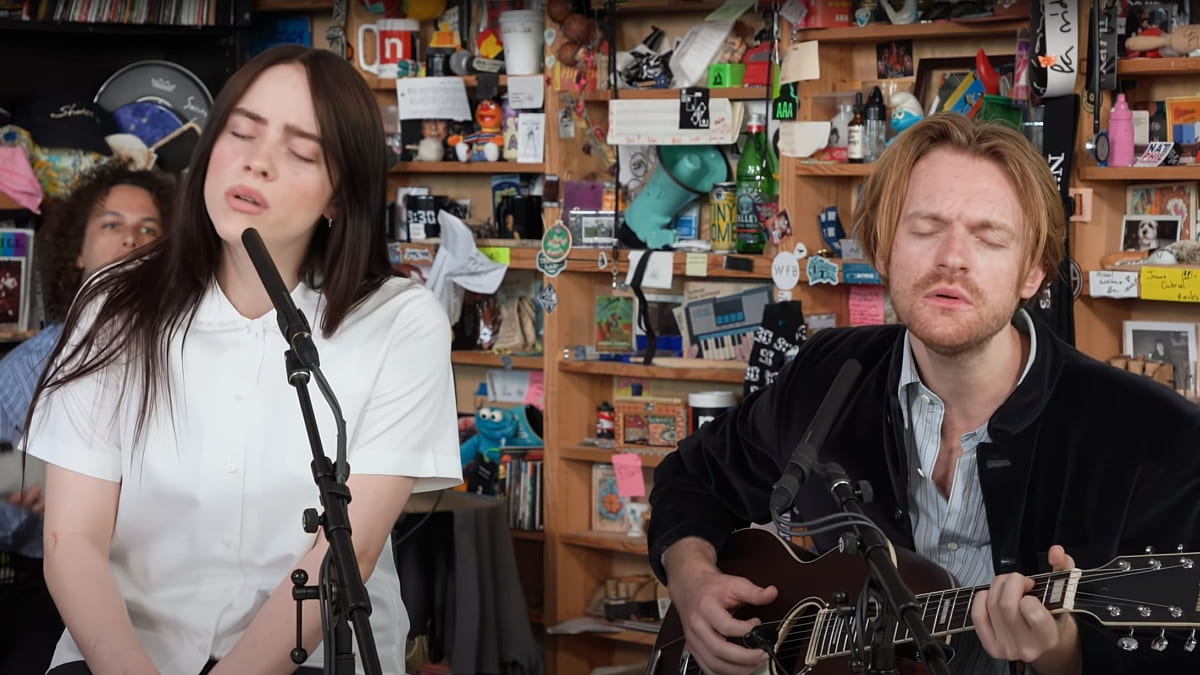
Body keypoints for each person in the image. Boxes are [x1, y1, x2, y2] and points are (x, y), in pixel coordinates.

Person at [647, 113, 1200, 675]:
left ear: (1033, 273)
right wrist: (692, 578)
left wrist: (1065, 652)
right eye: (926, 227)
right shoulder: (828, 374)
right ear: (883, 252)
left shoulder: (1157, 439)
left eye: (988, 236)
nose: (952, 258)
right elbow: (692, 478)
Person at [24, 44, 462, 675]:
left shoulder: (400, 321)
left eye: (301, 152)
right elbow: (73, 542)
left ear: (341, 196)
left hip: (310, 659)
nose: (257, 163)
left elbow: (348, 551)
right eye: (243, 133)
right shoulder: (114, 300)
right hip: (123, 653)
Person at [0, 160, 173, 674]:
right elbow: (7, 509)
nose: (131, 240)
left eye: (149, 230)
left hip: (172, 583)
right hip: (51, 589)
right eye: (112, 225)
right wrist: (32, 492)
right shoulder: (24, 371)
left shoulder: (197, 353)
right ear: (77, 250)